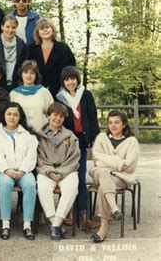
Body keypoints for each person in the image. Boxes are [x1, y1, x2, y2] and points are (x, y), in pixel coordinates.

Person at [56, 66, 100, 229]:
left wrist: (94, 140)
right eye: (67, 79)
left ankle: (83, 215)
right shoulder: (60, 98)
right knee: (67, 177)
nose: (70, 82)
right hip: (66, 142)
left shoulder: (86, 95)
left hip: (82, 140)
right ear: (63, 81)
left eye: (73, 78)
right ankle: (67, 213)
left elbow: (93, 118)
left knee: (80, 178)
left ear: (77, 79)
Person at [0, 102, 38, 240]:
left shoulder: (29, 135)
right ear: (4, 116)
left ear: (20, 117)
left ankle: (27, 224)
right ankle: (5, 224)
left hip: (24, 171)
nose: (12, 117)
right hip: (4, 171)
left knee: (30, 185)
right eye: (9, 114)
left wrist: (22, 170)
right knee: (5, 184)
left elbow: (31, 156)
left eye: (15, 114)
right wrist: (7, 170)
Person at [89, 111, 140, 243]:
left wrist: (110, 164)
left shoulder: (131, 142)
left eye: (117, 122)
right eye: (110, 122)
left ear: (124, 125)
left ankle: (103, 230)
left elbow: (129, 166)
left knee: (102, 187)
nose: (113, 125)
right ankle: (115, 208)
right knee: (102, 173)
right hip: (100, 174)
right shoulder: (101, 137)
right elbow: (97, 159)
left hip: (121, 178)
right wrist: (119, 163)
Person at [36, 102, 80, 241]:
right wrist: (50, 172)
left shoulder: (70, 136)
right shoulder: (39, 136)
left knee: (72, 187)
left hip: (66, 171)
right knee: (42, 187)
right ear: (48, 116)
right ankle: (57, 225)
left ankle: (55, 225)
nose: (58, 119)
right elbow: (39, 158)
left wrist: (61, 173)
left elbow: (74, 158)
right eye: (55, 115)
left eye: (61, 116)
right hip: (46, 170)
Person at [28, 18, 76, 97]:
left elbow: (71, 69)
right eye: (42, 28)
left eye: (47, 27)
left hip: (60, 91)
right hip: (36, 92)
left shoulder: (63, 48)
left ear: (52, 29)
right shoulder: (31, 49)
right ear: (38, 33)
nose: (45, 30)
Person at [0, 14, 28, 92]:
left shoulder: (22, 45)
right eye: (7, 27)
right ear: (2, 27)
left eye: (13, 27)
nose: (10, 30)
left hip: (16, 86)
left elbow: (24, 66)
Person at [10, 60, 54, 132]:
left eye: (32, 73)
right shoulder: (14, 94)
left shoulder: (44, 92)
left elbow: (52, 114)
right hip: (21, 134)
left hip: (42, 134)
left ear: (36, 75)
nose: (28, 76)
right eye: (25, 72)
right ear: (21, 74)